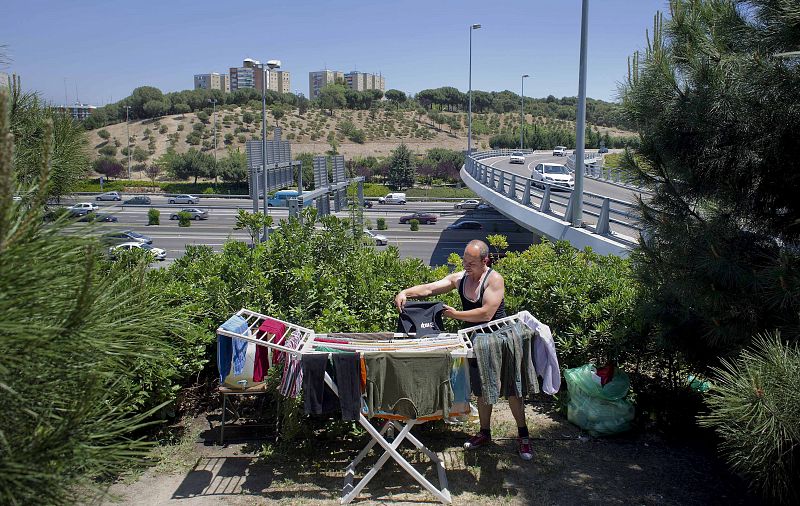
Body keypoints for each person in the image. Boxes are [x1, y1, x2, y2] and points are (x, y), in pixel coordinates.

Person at [394, 240, 532, 461]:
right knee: (481, 388)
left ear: (485, 261)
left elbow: (486, 313)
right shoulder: (460, 278)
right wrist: (405, 293)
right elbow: (430, 288)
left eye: (471, 263)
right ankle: (484, 433)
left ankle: (523, 436)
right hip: (476, 341)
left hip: (500, 338)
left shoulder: (494, 279)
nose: (466, 266)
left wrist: (455, 314)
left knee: (513, 389)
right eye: (464, 262)